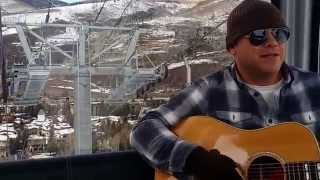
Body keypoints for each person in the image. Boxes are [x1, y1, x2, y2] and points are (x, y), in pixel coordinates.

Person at [130, 0, 320, 179]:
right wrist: (195, 161)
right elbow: (143, 130)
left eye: (280, 34)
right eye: (258, 35)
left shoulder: (314, 87)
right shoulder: (209, 90)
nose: (272, 42)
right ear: (232, 47)